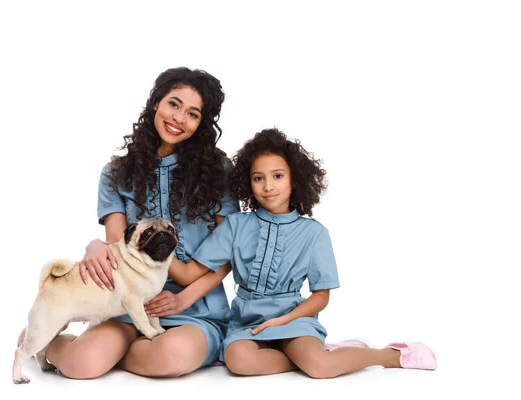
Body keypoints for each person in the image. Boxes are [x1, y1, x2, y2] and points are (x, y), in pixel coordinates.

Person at [18, 67, 239, 379]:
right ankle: (42, 341)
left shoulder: (219, 169)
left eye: (192, 113)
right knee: (82, 365)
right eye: (173, 104)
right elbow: (117, 246)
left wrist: (182, 298)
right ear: (155, 104)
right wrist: (96, 246)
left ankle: (123, 355)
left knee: (171, 356)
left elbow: (227, 252)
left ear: (201, 123)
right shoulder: (116, 173)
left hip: (196, 309)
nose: (178, 118)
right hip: (127, 304)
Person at [171, 127, 437, 378]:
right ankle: (316, 357)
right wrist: (145, 248)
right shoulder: (236, 225)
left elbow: (321, 296)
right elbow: (193, 270)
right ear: (248, 182)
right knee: (239, 362)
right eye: (258, 178)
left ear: (294, 179)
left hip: (294, 319)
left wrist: (284, 320)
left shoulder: (314, 233)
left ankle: (387, 355)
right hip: (247, 323)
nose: (268, 186)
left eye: (277, 176)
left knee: (319, 367)